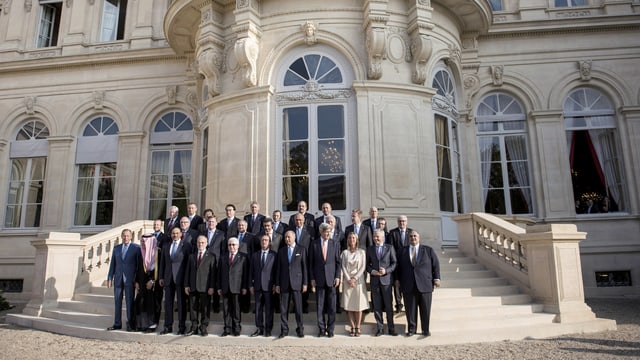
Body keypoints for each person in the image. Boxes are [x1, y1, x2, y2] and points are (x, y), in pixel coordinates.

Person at [396, 230, 441, 337]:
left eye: (415, 236)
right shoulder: (402, 251)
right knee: (410, 309)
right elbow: (398, 267)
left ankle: (425, 330)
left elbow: (436, 265)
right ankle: (412, 329)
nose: (413, 238)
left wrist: (437, 278)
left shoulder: (428, 250)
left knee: (425, 309)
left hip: (425, 284)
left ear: (419, 237)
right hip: (408, 284)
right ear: (408, 238)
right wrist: (397, 279)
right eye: (411, 236)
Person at [107, 229, 142, 332]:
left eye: (128, 236)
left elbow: (138, 266)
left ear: (131, 237)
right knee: (117, 301)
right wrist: (109, 277)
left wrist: (137, 280)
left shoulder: (136, 248)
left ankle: (130, 324)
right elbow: (113, 264)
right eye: (124, 236)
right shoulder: (116, 249)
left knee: (129, 302)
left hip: (130, 279)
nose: (126, 238)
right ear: (121, 237)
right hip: (118, 279)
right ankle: (117, 323)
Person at [309, 222, 341, 337]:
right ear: (321, 232)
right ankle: (321, 328)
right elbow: (311, 263)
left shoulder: (335, 244)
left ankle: (331, 329)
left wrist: (338, 276)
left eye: (329, 232)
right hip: (319, 279)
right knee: (320, 306)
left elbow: (338, 262)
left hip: (331, 279)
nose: (327, 234)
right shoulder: (314, 244)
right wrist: (312, 278)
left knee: (332, 306)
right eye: (325, 231)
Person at [159, 227, 192, 335]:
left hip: (180, 278)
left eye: (177, 233)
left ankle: (181, 327)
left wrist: (187, 280)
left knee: (181, 303)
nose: (174, 235)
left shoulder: (186, 246)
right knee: (168, 303)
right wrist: (161, 277)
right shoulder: (166, 246)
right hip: (168, 278)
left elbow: (188, 264)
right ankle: (167, 326)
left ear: (181, 234)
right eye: (173, 233)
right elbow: (162, 263)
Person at [275, 230, 308, 338]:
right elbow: (278, 269)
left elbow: (304, 268)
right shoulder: (281, 251)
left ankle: (300, 329)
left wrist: (305, 283)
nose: (287, 239)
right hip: (284, 283)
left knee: (298, 308)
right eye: (285, 237)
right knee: (284, 308)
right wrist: (277, 284)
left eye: (289, 237)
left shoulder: (301, 250)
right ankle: (284, 329)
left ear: (294, 237)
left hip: (297, 283)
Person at [366, 229, 398, 336]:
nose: (375, 238)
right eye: (374, 236)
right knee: (377, 306)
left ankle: (391, 328)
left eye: (377, 237)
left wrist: (386, 270)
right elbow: (367, 265)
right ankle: (380, 328)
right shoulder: (370, 249)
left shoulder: (389, 248)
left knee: (389, 306)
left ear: (383, 237)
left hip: (386, 281)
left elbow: (394, 263)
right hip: (375, 281)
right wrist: (372, 271)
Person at [184, 236, 216, 336]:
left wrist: (212, 286)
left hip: (205, 287)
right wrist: (186, 285)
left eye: (202, 242)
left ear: (206, 243)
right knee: (193, 309)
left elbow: (213, 273)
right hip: (193, 286)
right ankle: (194, 327)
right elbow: (187, 271)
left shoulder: (211, 256)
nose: (200, 244)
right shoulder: (191, 256)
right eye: (198, 242)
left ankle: (203, 327)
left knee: (205, 308)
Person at [218, 237, 249, 336]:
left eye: (233, 244)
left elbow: (245, 274)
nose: (231, 246)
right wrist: (219, 287)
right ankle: (227, 328)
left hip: (237, 287)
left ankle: (236, 328)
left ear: (238, 246)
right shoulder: (223, 257)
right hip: (225, 286)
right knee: (226, 309)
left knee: (236, 309)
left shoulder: (243, 257)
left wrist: (244, 287)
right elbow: (219, 273)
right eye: (229, 245)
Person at [340, 232, 368, 337]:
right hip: (348, 281)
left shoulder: (361, 252)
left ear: (356, 240)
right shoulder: (345, 253)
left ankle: (358, 326)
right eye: (350, 238)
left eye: (353, 238)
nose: (351, 239)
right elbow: (343, 266)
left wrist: (355, 278)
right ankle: (352, 326)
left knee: (358, 305)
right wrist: (348, 279)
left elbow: (363, 267)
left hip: (358, 281)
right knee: (349, 305)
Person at [249, 234, 277, 337]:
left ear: (269, 243)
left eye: (266, 240)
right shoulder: (255, 255)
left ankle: (268, 329)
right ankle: (259, 328)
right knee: (258, 308)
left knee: (269, 309)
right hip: (257, 286)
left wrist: (275, 284)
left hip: (269, 286)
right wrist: (250, 285)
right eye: (262, 240)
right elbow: (251, 271)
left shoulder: (274, 255)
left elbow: (276, 271)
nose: (264, 242)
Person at [135, 233, 162, 333]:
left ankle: (151, 325)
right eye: (141, 241)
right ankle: (141, 324)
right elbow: (137, 268)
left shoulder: (158, 253)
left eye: (144, 241)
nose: (142, 243)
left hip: (153, 283)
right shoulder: (140, 252)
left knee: (152, 304)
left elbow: (161, 269)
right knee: (141, 302)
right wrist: (136, 281)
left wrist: (152, 281)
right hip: (142, 282)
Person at [388, 215, 412, 313]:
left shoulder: (411, 232)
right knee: (396, 284)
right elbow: (391, 247)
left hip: (407, 262)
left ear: (406, 222)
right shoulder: (392, 232)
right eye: (400, 221)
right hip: (396, 261)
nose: (402, 223)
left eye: (403, 221)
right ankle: (398, 304)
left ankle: (408, 304)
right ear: (397, 222)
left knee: (407, 283)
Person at [201, 216, 225, 313]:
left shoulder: (221, 234)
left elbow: (223, 250)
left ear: (216, 223)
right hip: (204, 262)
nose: (211, 223)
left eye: (212, 222)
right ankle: (204, 305)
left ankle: (216, 305)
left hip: (216, 262)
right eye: (209, 222)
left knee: (215, 283)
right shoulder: (203, 233)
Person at [292, 213, 313, 313]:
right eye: (297, 220)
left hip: (306, 259)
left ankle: (304, 305)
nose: (298, 222)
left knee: (305, 282)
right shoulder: (291, 231)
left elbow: (311, 245)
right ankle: (295, 306)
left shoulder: (309, 231)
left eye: (300, 220)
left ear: (304, 221)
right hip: (294, 261)